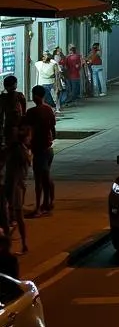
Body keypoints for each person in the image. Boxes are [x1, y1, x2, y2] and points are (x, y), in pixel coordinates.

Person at [24, 85, 56, 216]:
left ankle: (39, 207)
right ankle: (48, 202)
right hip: (48, 148)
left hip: (40, 149)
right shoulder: (49, 109)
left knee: (39, 180)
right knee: (46, 177)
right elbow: (53, 130)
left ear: (35, 96)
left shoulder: (32, 112)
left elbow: (28, 130)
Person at [3, 125, 31, 254]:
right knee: (15, 216)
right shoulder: (22, 151)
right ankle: (21, 243)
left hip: (14, 186)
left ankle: (13, 244)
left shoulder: (16, 151)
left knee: (12, 216)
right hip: (17, 186)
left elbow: (14, 173)